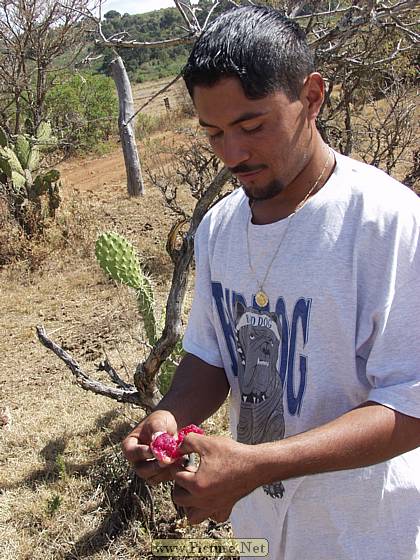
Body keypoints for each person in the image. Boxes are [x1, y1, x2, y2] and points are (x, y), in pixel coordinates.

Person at [122, 6, 420, 559]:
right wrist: (171, 415)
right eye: (213, 133)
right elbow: (212, 355)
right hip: (259, 525)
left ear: (311, 96)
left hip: (365, 532)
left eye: (252, 127)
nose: (232, 155)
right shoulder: (221, 227)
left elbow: (410, 405)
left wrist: (255, 464)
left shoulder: (387, 223)